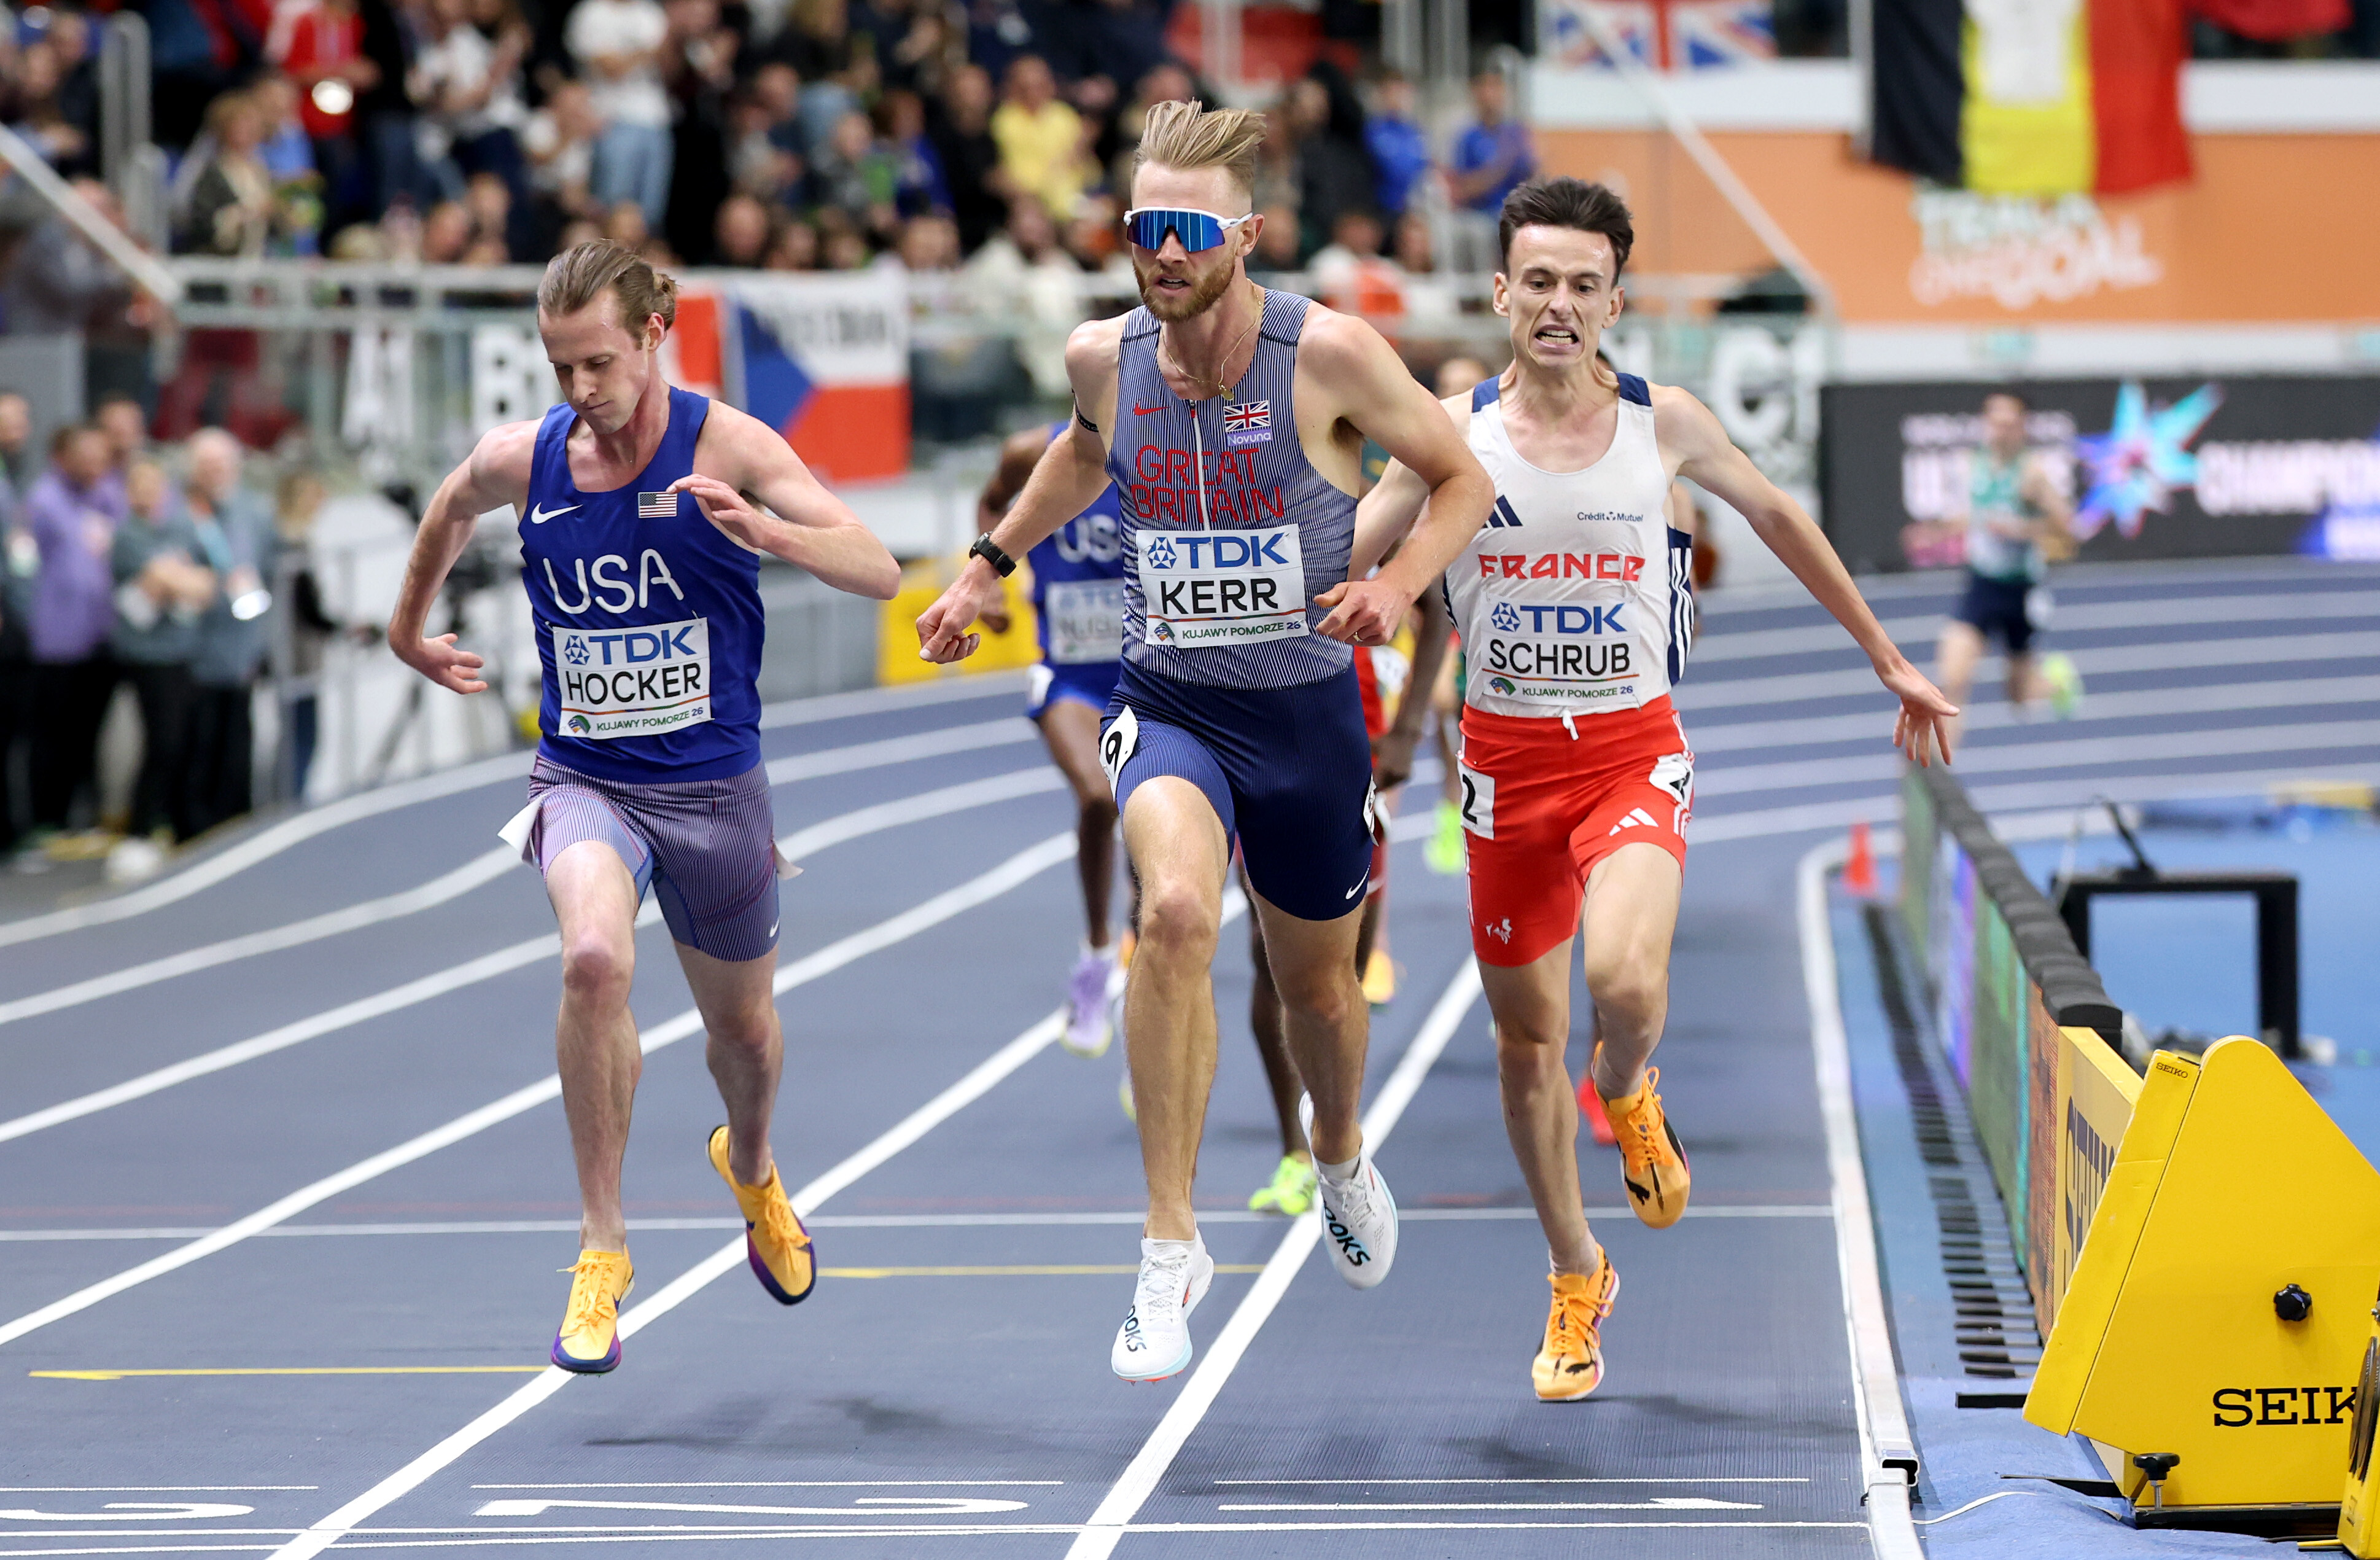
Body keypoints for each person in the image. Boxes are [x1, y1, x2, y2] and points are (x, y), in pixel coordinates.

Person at [916, 100, 1495, 1384]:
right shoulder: (1104, 357)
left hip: (1307, 715)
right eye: (1144, 228)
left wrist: (1396, 586)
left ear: (1247, 236)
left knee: (1319, 993)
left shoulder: (1327, 354)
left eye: (1189, 230)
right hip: (1170, 700)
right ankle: (1170, 1242)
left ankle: (1337, 1152)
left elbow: (1463, 478)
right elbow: (1080, 458)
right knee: (1173, 913)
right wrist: (984, 566)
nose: (1163, 252)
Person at [1353, 177, 1956, 1404]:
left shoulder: (1662, 422)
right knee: (1525, 1045)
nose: (1559, 305)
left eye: (1584, 285)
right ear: (1501, 292)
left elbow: (1779, 517)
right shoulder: (1447, 434)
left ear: (1616, 303)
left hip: (1629, 751)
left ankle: (1628, 1086)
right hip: (1504, 767)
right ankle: (1577, 1274)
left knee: (1623, 985)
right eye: (1539, 281)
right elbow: (1349, 544)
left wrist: (1887, 656)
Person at [386, 240, 900, 1375]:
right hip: (588, 780)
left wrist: (768, 533)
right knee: (591, 964)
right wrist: (406, 630)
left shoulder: (729, 445)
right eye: (560, 367)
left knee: (743, 1038)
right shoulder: (529, 459)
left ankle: (752, 1169)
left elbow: (878, 569)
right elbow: (450, 504)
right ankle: (602, 1245)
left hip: (715, 789)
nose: (581, 389)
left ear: (654, 336)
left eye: (600, 364)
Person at [973, 422, 1134, 1056]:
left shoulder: (1167, 440)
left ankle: (1145, 962)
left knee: (1149, 819)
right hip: (1069, 672)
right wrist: (989, 580)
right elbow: (992, 502)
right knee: (1098, 795)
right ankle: (1096, 956)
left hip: (1151, 669)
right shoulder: (1028, 451)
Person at [1934, 388, 2082, 726]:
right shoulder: (1973, 464)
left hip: (2020, 590)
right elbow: (1976, 515)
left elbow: (2069, 535)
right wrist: (1936, 532)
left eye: (2008, 424)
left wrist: (2023, 529)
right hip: (1982, 582)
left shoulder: (2033, 475)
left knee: (2020, 697)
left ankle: (2057, 682)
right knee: (1952, 682)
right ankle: (1935, 760)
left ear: (2022, 427)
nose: (2000, 430)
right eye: (1994, 422)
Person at [22, 424, 122, 844]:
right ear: (61, 458)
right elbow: (24, 568)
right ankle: (48, 821)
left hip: (99, 637)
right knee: (51, 736)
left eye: (101, 458)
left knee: (88, 735)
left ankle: (84, 817)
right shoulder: (42, 502)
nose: (95, 466)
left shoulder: (106, 497)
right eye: (86, 458)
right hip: (56, 643)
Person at [110, 459, 212, 845]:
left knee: (186, 742)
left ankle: (178, 824)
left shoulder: (179, 529)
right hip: (147, 657)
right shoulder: (128, 536)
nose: (148, 494)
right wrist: (176, 576)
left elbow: (205, 584)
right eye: (140, 486)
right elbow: (161, 582)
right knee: (162, 742)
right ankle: (140, 829)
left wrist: (174, 577)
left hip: (182, 652)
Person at [183, 429, 277, 835]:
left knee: (238, 741)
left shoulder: (254, 512)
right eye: (207, 465)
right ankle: (194, 825)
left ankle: (236, 820)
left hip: (242, 650)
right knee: (196, 744)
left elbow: (270, 571)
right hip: (194, 653)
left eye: (222, 464)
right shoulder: (184, 513)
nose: (216, 472)